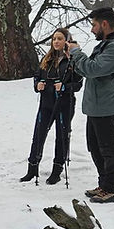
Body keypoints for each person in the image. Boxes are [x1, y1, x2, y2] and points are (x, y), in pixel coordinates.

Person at [68, 7, 114, 204]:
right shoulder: (106, 44)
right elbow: (87, 69)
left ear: (104, 24)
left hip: (107, 105)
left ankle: (110, 188)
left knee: (107, 148)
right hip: (96, 105)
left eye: (94, 25)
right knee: (94, 146)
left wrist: (77, 53)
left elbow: (93, 69)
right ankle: (103, 183)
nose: (92, 30)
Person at [19, 27, 83, 185]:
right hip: (46, 103)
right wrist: (37, 84)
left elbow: (79, 83)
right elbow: (37, 75)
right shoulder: (46, 59)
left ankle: (57, 169)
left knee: (61, 136)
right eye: (54, 39)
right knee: (38, 134)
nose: (56, 42)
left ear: (67, 41)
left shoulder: (72, 60)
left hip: (64, 104)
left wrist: (64, 87)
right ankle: (32, 168)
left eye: (60, 39)